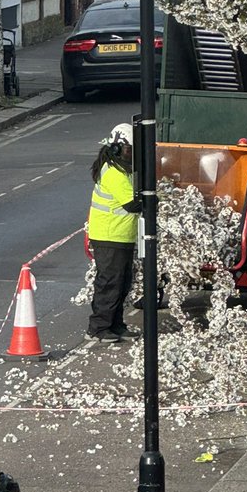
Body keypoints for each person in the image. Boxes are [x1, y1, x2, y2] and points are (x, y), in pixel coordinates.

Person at [86, 123, 141, 343]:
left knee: (122, 283)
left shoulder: (123, 169)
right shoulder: (113, 172)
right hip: (109, 236)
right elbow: (131, 204)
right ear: (117, 148)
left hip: (122, 235)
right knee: (109, 283)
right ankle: (98, 328)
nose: (132, 155)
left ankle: (116, 324)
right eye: (129, 150)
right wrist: (155, 198)